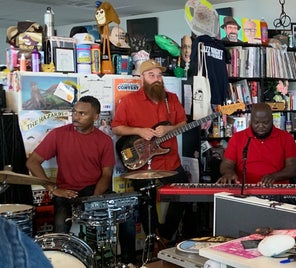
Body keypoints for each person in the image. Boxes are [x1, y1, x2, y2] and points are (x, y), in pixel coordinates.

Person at [25, 95, 135, 264]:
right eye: (74, 112)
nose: (76, 117)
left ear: (95, 117)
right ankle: (60, 264)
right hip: (66, 192)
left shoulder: (104, 140)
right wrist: (53, 189)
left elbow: (106, 175)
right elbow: (32, 162)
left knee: (127, 216)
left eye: (82, 114)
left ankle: (129, 262)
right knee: (60, 227)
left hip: (94, 190)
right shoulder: (58, 135)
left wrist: (94, 200)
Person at [111, 59, 189, 245]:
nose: (156, 79)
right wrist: (139, 131)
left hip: (170, 160)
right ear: (142, 78)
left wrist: (168, 130)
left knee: (184, 193)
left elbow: (183, 123)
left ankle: (165, 234)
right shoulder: (129, 101)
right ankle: (153, 242)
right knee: (147, 202)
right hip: (142, 163)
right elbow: (116, 128)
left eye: (159, 75)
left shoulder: (172, 99)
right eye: (151, 75)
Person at [217, 103, 296, 185]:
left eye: (265, 122)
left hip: (276, 189)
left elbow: (292, 169)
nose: (261, 126)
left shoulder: (286, 138)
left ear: (272, 119)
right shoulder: (237, 138)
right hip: (243, 189)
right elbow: (226, 165)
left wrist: (274, 176)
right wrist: (228, 173)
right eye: (256, 122)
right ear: (250, 120)